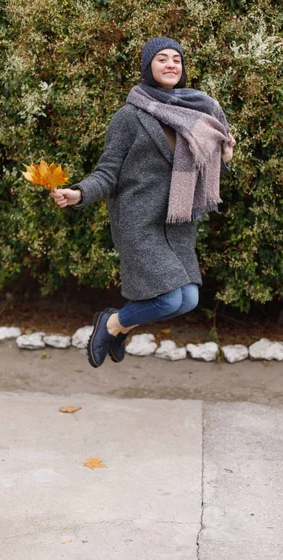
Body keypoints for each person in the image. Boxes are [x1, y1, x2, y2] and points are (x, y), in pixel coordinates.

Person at [50, 37, 235, 368]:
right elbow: (108, 172)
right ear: (148, 67)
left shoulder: (197, 111)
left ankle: (119, 327)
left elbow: (206, 169)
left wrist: (226, 155)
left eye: (176, 59)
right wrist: (79, 193)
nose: (170, 65)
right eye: (161, 59)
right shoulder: (129, 116)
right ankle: (110, 323)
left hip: (177, 222)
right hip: (138, 221)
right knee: (166, 301)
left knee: (188, 299)